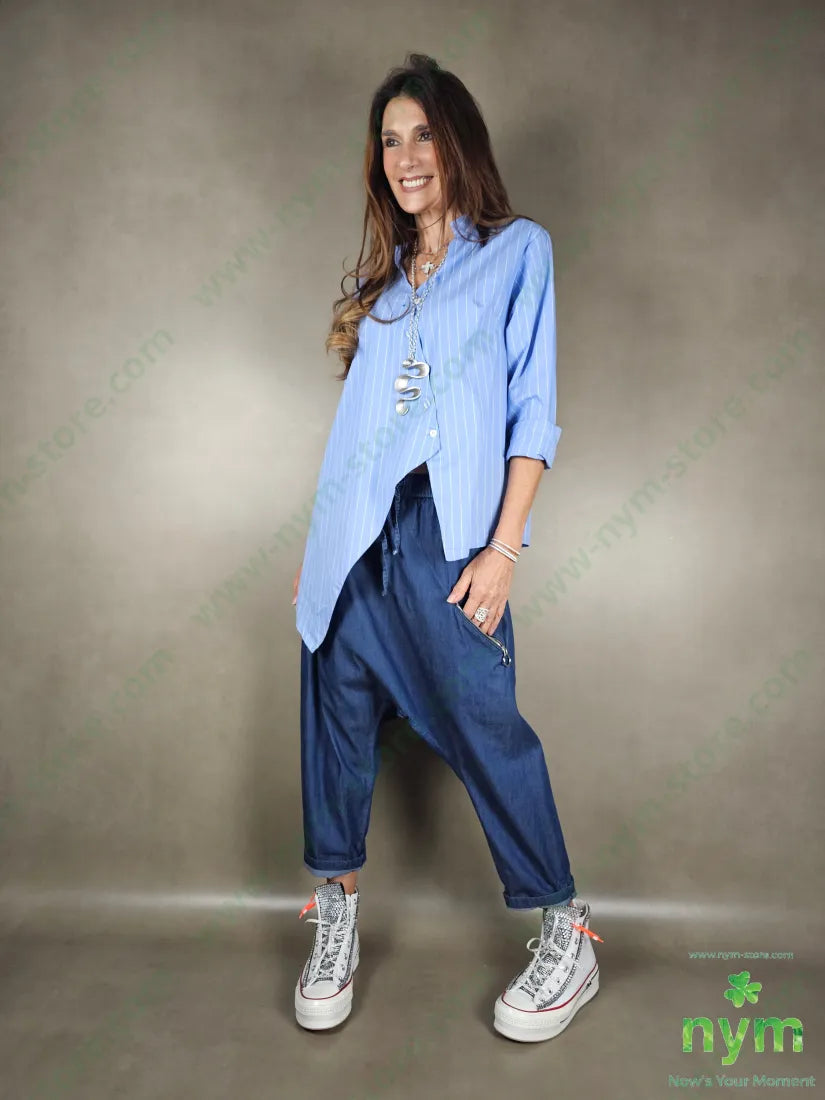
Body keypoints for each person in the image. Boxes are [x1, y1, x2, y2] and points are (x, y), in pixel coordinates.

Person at [291, 52, 603, 1043]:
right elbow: (356, 428)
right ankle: (335, 916)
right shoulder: (384, 285)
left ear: (456, 139)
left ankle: (566, 932)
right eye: (389, 140)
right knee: (336, 715)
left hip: (450, 534)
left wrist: (502, 548)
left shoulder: (516, 253)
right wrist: (322, 543)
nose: (405, 156)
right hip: (355, 538)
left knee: (482, 723)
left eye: (422, 133)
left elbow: (533, 412)